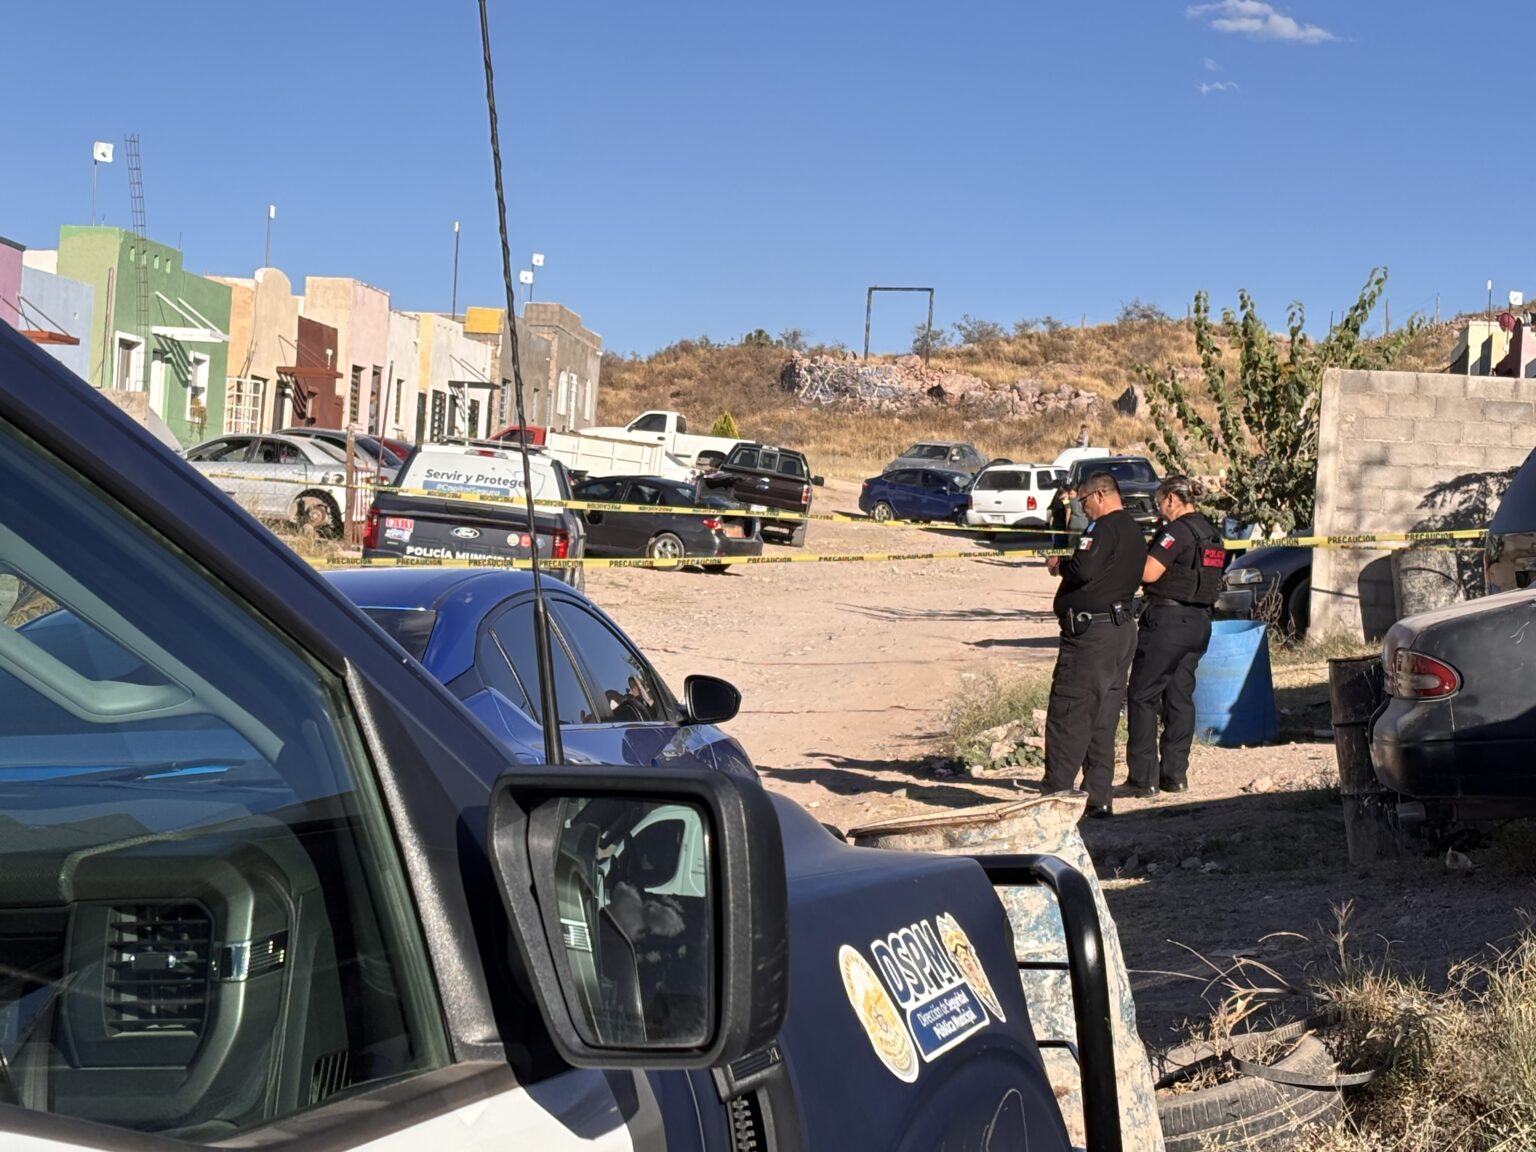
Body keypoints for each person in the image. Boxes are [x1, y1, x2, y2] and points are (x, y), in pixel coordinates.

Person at [1042, 472, 1145, 818]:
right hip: (1119, 631)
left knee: (1069, 714)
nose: (1083, 510)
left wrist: (1061, 565)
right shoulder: (1133, 529)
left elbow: (1084, 569)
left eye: (1084, 503)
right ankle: (1098, 797)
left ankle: (1054, 801)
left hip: (1092, 637)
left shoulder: (1101, 528)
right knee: (1102, 719)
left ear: (1100, 496)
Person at [1124, 476, 1225, 796]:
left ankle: (1143, 779)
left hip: (1167, 621)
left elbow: (1148, 573)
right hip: (1199, 623)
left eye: (1159, 503)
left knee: (1143, 695)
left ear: (1171, 499)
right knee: (1180, 698)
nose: (1159, 510)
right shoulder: (1211, 532)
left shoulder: (1176, 532)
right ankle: (1175, 775)